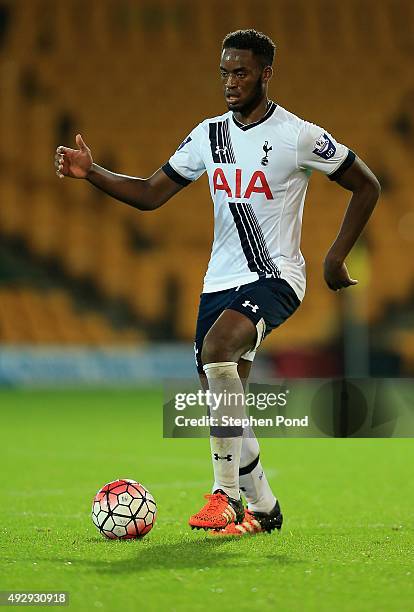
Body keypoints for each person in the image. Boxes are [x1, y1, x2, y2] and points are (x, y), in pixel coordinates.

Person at [54, 29, 380, 537]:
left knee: (218, 347)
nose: (230, 82)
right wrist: (91, 171)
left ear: (266, 74)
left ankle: (226, 495)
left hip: (276, 276)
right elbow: (149, 194)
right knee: (225, 403)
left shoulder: (298, 135)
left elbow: (366, 183)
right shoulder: (209, 135)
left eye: (242, 72)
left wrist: (335, 256)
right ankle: (266, 509)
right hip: (218, 283)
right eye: (225, 72)